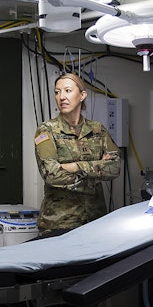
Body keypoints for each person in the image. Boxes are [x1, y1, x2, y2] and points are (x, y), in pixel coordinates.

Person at [33, 72, 120, 234]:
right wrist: (96, 171)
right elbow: (51, 174)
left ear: (82, 95)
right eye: (57, 92)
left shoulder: (97, 130)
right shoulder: (46, 131)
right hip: (60, 222)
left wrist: (74, 166)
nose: (61, 97)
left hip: (95, 219)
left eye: (67, 91)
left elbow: (115, 167)